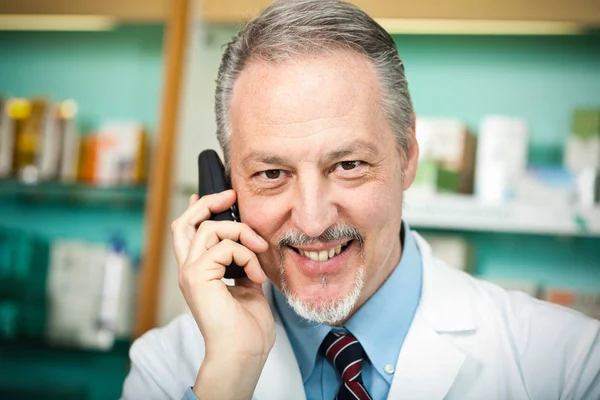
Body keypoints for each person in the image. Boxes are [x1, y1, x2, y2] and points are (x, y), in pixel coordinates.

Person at [122, 0, 600, 399]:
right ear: (225, 191)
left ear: (407, 155)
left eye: (347, 165)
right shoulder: (171, 368)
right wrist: (231, 371)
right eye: (271, 173)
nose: (311, 221)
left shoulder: (567, 364)